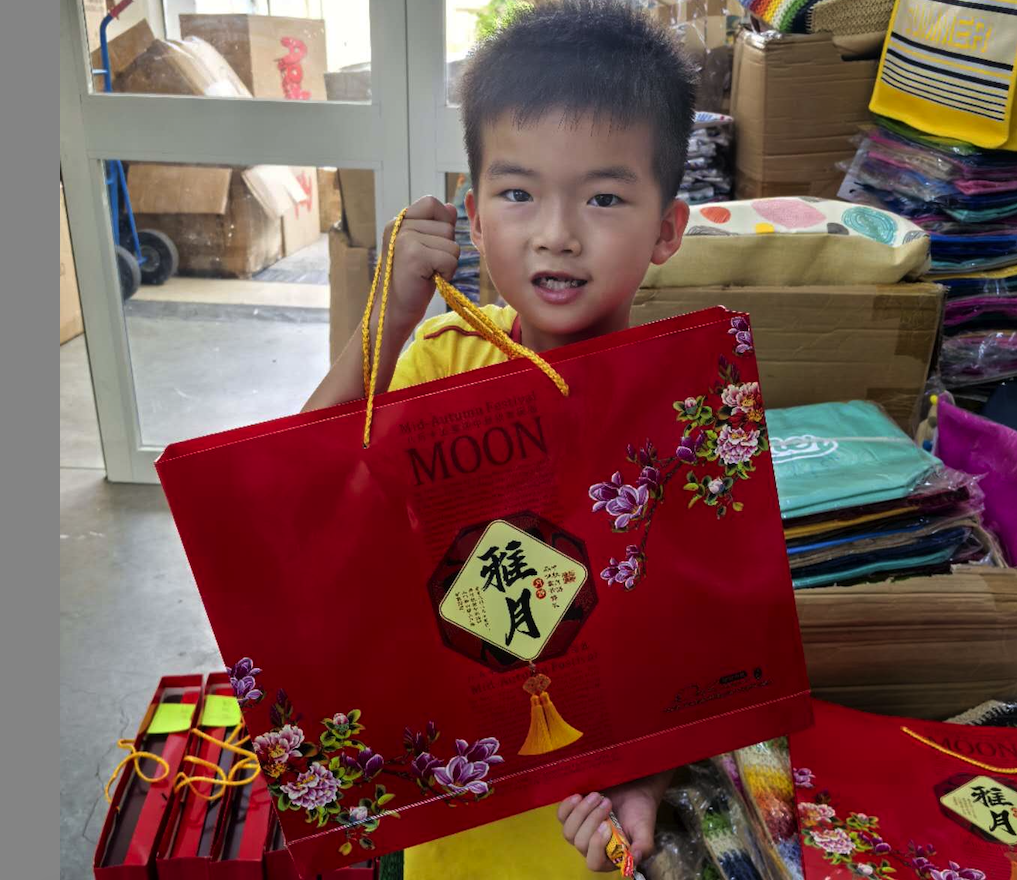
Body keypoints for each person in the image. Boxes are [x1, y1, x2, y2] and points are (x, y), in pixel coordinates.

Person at [303, 1, 697, 875]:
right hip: (457, 814)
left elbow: (699, 634)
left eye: (603, 197)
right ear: (474, 218)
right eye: (518, 194)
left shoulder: (691, 410)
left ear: (666, 230)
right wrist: (385, 325)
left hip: (591, 820)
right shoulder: (441, 363)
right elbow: (297, 503)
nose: (556, 233)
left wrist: (648, 783)